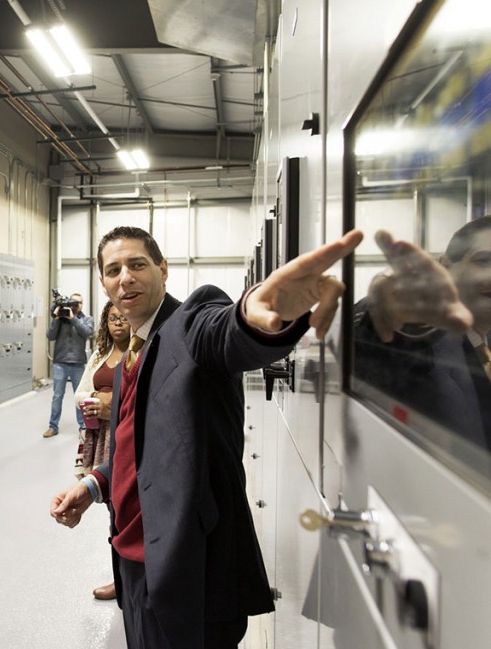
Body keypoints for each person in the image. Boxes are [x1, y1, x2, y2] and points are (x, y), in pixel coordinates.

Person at [49, 226, 363, 649]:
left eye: (137, 264)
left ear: (163, 268)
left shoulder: (190, 324)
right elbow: (134, 444)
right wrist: (94, 485)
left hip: (191, 570)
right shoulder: (131, 353)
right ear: (103, 284)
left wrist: (263, 311)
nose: (125, 277)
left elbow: (227, 332)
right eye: (113, 270)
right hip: (134, 560)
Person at [355, 215, 491, 490]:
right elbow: (376, 341)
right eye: (486, 260)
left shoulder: (481, 345)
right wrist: (398, 305)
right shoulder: (420, 338)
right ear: (445, 267)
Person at [72, 301, 130, 601]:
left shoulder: (139, 353)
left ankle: (129, 579)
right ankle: (120, 578)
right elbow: (79, 392)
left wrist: (111, 405)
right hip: (101, 439)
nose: (118, 323)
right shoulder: (99, 356)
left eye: (122, 317)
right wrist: (97, 398)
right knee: (112, 508)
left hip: (126, 434)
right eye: (112, 319)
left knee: (128, 507)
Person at [44, 291, 93, 438]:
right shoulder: (61, 319)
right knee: (57, 396)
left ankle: (82, 427)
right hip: (60, 362)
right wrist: (57, 318)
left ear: (82, 305)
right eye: (73, 302)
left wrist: (72, 318)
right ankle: (53, 426)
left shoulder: (86, 319)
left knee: (80, 397)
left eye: (78, 303)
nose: (75, 305)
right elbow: (50, 336)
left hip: (78, 363)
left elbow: (87, 332)